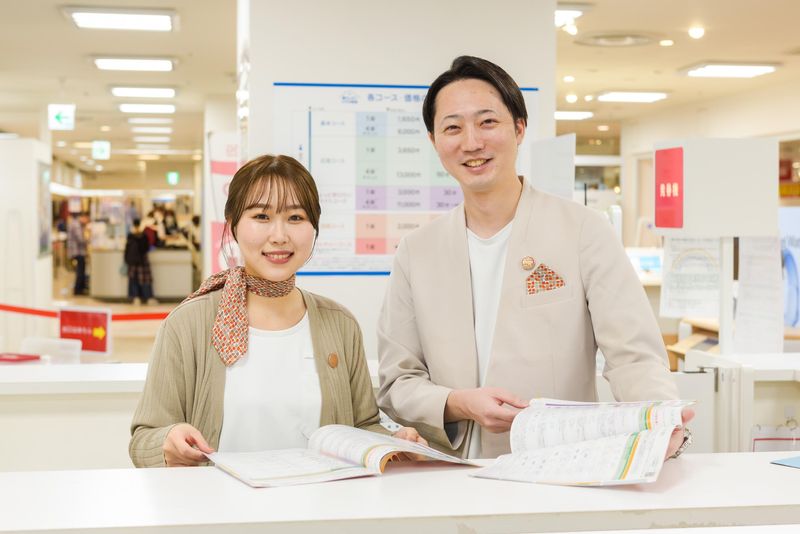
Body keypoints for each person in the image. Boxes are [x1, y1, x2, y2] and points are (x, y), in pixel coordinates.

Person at [377, 56, 693, 459]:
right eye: (452, 127)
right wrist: (458, 403)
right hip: (451, 470)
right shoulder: (417, 250)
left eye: (487, 122)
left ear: (519, 128)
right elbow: (398, 382)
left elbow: (634, 356)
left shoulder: (583, 230)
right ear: (434, 140)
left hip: (559, 463)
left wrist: (662, 423)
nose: (471, 142)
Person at [130, 154, 424, 467]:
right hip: (221, 498)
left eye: (295, 217)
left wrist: (391, 443)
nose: (279, 236)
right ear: (233, 224)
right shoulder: (189, 324)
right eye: (261, 216)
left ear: (314, 226)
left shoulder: (339, 323)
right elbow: (144, 439)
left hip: (320, 498)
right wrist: (169, 441)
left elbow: (363, 426)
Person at [124, 218, 157, 306]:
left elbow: (127, 249)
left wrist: (126, 260)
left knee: (134, 280)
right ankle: (148, 298)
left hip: (133, 262)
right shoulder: (143, 236)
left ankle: (136, 298)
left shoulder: (130, 236)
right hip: (143, 261)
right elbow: (146, 248)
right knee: (145, 281)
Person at [66, 211, 89, 295]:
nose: (87, 221)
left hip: (78, 251)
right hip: (77, 252)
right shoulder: (76, 225)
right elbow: (80, 239)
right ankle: (78, 290)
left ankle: (81, 288)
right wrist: (88, 240)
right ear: (83, 217)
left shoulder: (77, 224)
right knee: (80, 271)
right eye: (87, 219)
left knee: (81, 270)